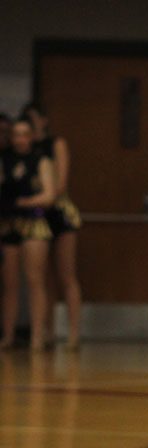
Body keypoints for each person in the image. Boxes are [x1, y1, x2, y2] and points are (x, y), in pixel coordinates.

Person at [22, 102, 82, 349]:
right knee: (42, 277)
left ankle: (74, 333)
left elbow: (61, 183)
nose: (32, 124)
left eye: (35, 119)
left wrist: (46, 195)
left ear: (44, 120)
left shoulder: (56, 143)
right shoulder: (26, 149)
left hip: (58, 211)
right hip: (36, 214)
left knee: (66, 274)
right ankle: (47, 331)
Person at [0, 118, 54, 351]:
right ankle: (9, 335)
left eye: (25, 134)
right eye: (16, 134)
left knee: (34, 280)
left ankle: (37, 336)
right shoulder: (4, 159)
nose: (20, 139)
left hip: (34, 222)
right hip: (9, 223)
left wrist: (25, 201)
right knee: (9, 283)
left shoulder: (41, 160)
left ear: (32, 136)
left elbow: (49, 195)